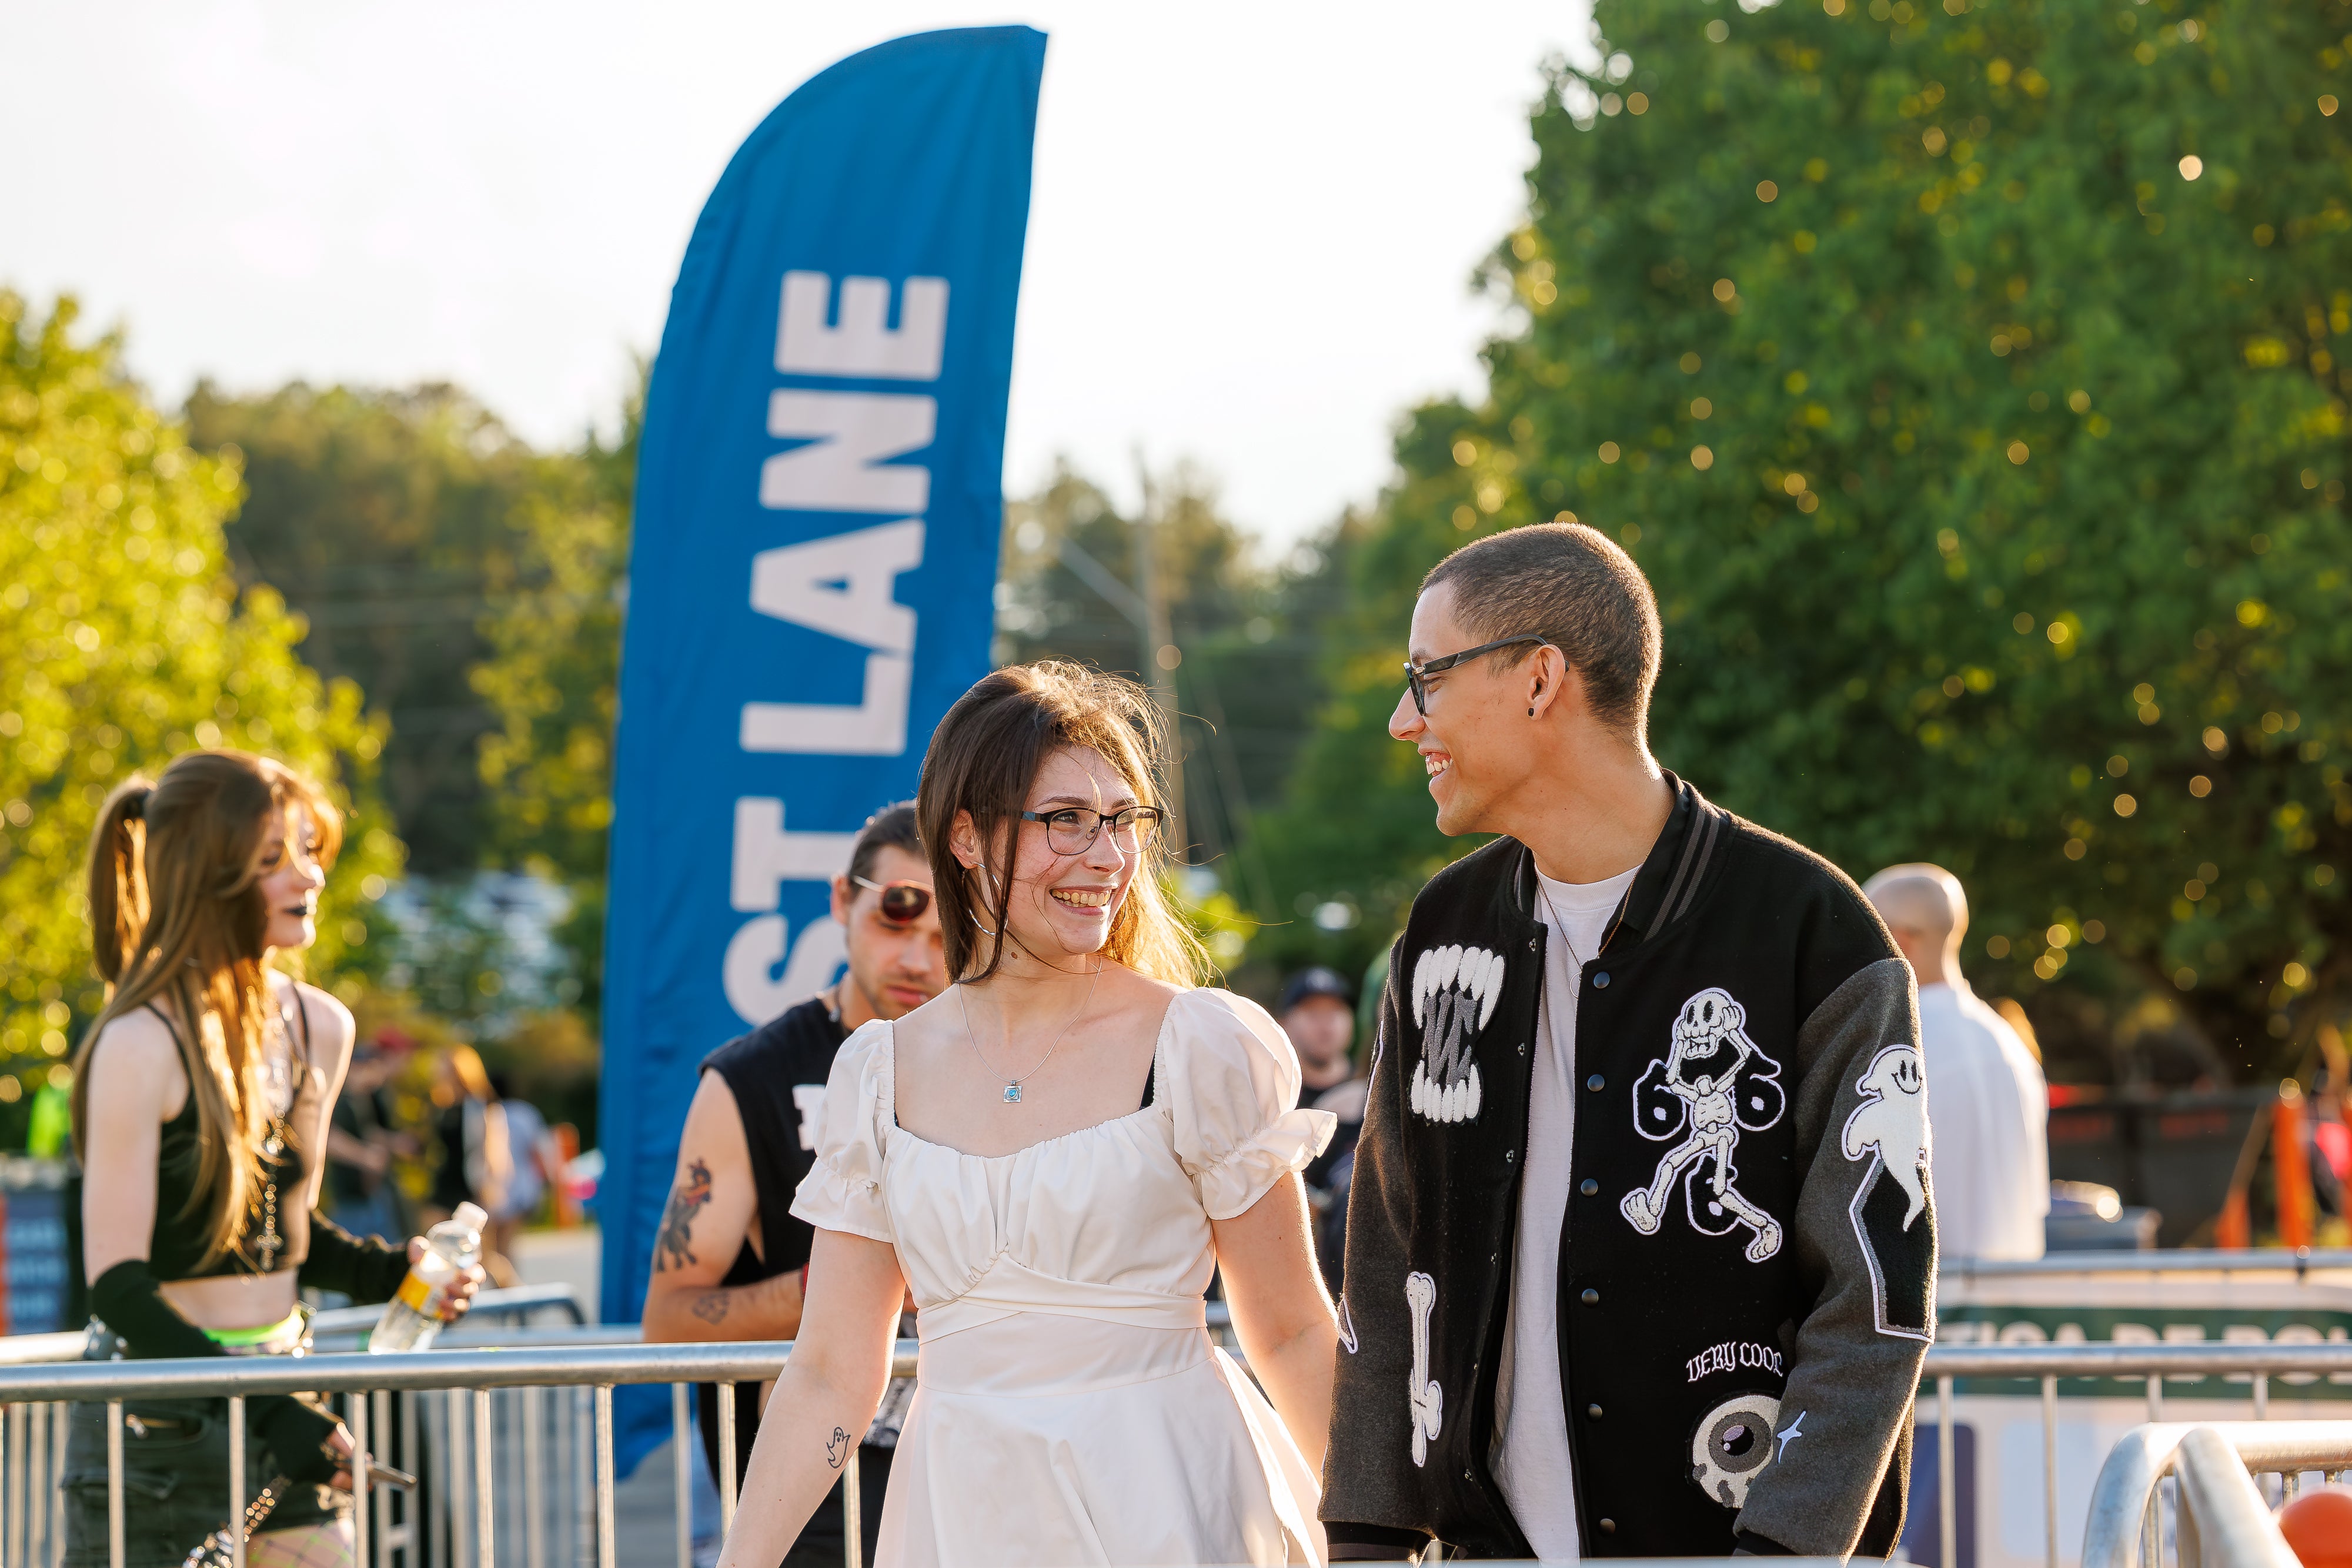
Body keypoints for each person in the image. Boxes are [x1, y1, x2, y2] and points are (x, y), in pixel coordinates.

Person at [1322, 523, 1935, 1560]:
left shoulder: (1811, 930)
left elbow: (1872, 1301)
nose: (1401, 720)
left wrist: (1783, 1550)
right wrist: (1368, 1537)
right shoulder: (1439, 935)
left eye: (1425, 677)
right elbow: (1388, 1266)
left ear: (1539, 679)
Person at [716, 663, 1339, 1568]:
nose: (1106, 856)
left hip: (1166, 1498)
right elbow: (829, 1373)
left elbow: (1288, 1328)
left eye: (1122, 819)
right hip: (964, 1510)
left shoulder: (1201, 1044)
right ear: (965, 837)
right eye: (1065, 820)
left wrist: (1381, 1543)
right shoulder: (879, 1070)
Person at [66, 751, 481, 1568]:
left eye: (308, 847)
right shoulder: (138, 1039)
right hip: (160, 1425)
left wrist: (390, 1268)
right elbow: (116, 1281)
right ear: (206, 875)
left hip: (285, 1388)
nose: (311, 875)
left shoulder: (319, 1024)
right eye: (272, 859)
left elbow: (281, 1228)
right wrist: (272, 1408)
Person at [643, 802, 946, 1566]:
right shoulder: (752, 1077)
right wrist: (838, 1281)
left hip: (966, 1469)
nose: (917, 956)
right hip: (815, 1489)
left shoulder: (991, 1064)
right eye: (896, 919)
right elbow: (669, 1318)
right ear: (844, 900)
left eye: (948, 935)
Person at [1865, 862, 2049, 1262]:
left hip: (1930, 1310)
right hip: (2015, 1311)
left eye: (1865, 932)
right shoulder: (2009, 1043)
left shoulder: (1895, 1049)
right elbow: (2035, 1204)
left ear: (1898, 939)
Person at [1283, 967, 1365, 1296]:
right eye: (1312, 1013)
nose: (1325, 1023)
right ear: (1285, 1023)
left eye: (1335, 1012)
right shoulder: (1274, 1100)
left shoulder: (1376, 1093)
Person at [423, 1043, 515, 1281]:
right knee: (436, 1249)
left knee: (484, 1256)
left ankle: (518, 1295)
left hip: (470, 1186)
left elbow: (493, 1152)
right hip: (445, 1185)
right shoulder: (443, 1107)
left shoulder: (481, 1107)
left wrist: (491, 1188)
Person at [323, 1035, 412, 1243]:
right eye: (370, 1067)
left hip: (370, 1194)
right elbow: (330, 1139)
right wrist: (365, 1156)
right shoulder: (340, 1098)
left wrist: (392, 1143)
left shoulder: (362, 1098)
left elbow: (368, 1133)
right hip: (350, 1195)